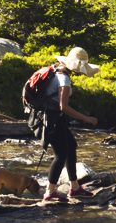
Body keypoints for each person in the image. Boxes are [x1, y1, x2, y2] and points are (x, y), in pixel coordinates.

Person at [42, 46, 100, 202]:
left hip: (51, 117)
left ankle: (74, 187)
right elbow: (64, 107)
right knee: (61, 155)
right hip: (52, 119)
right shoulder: (64, 79)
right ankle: (50, 192)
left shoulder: (56, 70)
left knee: (71, 146)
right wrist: (86, 118)